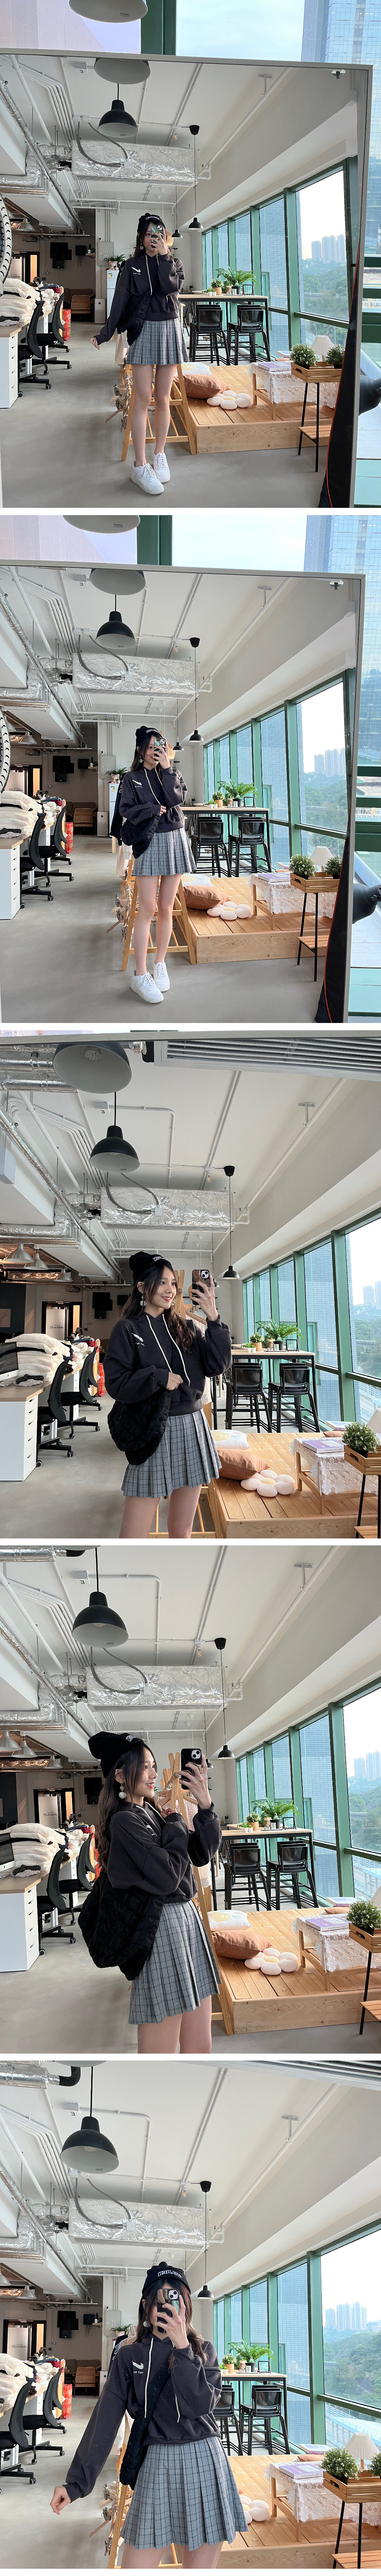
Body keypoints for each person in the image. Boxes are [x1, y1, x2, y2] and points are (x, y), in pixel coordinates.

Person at [50, 2263, 248, 2566]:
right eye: (160, 2300)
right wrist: (76, 2483)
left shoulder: (203, 2351)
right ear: (146, 2306)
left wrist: (182, 2347)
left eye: (175, 2299)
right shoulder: (130, 2355)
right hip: (157, 2461)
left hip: (205, 2460)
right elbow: (105, 2418)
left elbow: (198, 2406)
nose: (167, 2307)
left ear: (186, 2305)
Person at [84, 1730, 220, 2054]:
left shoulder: (152, 1813)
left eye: (154, 1766)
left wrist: (205, 1806)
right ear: (120, 1776)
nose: (153, 1774)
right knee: (161, 2052)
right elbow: (168, 1876)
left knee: (200, 2045)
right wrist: (176, 1822)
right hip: (162, 1928)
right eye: (144, 1767)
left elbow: (201, 1854)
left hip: (186, 1922)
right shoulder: (125, 1821)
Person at [104, 1250, 231, 1536]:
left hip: (193, 1427)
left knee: (182, 1530)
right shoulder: (127, 1329)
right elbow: (116, 1384)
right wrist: (158, 1377)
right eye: (162, 1282)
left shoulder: (188, 1327)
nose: (170, 1289)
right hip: (153, 1429)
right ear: (141, 1287)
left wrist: (213, 1317)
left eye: (173, 1283)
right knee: (133, 1537)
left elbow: (217, 1366)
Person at [91, 213, 186, 495]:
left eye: (158, 233)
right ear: (141, 239)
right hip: (144, 330)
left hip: (170, 329)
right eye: (148, 234)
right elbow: (120, 300)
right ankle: (140, 465)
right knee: (143, 398)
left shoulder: (175, 263)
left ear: (165, 237)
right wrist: (106, 333)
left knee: (163, 398)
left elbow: (171, 287)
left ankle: (160, 454)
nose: (153, 238)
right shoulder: (131, 266)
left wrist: (165, 256)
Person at [118, 726, 195, 1007]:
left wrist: (167, 769)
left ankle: (160, 964)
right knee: (147, 909)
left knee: (166, 908)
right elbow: (126, 810)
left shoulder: (171, 772)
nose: (155, 751)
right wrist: (151, 810)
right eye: (151, 747)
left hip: (175, 838)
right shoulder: (132, 779)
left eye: (159, 746)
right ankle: (140, 974)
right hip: (149, 841)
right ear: (141, 751)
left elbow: (176, 800)